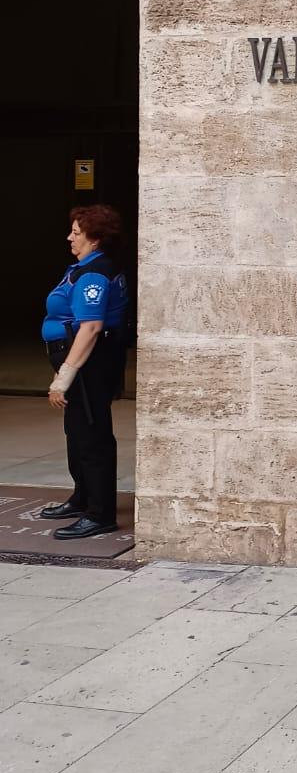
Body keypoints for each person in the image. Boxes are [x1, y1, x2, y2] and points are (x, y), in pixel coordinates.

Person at [41, 204, 129, 539]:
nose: (69, 238)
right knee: (77, 431)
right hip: (82, 361)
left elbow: (90, 328)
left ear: (95, 238)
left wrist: (64, 376)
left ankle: (99, 513)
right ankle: (83, 498)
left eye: (76, 233)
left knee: (91, 437)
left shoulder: (94, 274)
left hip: (88, 363)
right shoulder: (85, 267)